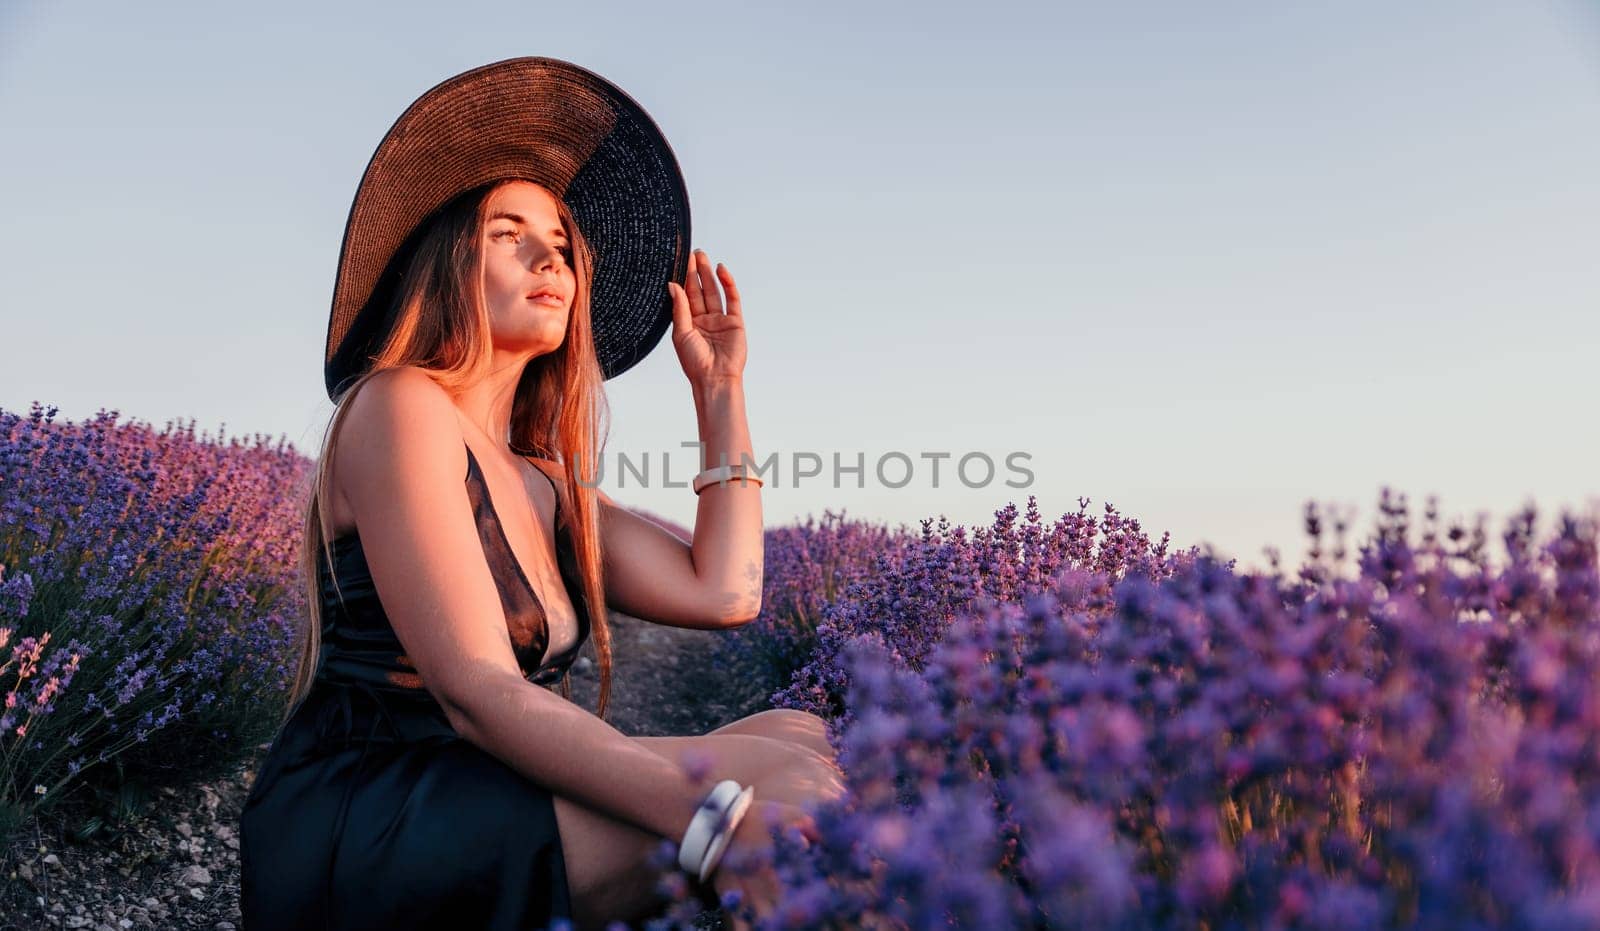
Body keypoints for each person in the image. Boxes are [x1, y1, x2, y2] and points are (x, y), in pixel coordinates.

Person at [239, 57, 845, 931]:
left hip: (483, 793)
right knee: (782, 792)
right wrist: (721, 824)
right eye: (507, 234)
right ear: (448, 261)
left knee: (802, 735)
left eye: (561, 242)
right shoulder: (400, 406)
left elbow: (727, 591)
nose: (547, 256)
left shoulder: (544, 484)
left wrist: (721, 391)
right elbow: (475, 690)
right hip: (374, 817)